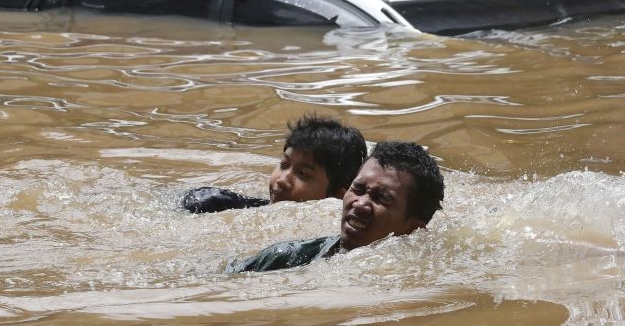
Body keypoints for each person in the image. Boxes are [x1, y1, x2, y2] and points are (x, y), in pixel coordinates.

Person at [225, 140, 445, 273]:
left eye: (382, 199)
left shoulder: (419, 278)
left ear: (413, 228)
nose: (360, 204)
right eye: (358, 189)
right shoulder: (286, 257)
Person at [182, 114, 367, 213]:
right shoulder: (235, 206)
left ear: (337, 197)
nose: (282, 180)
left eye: (303, 174)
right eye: (284, 165)